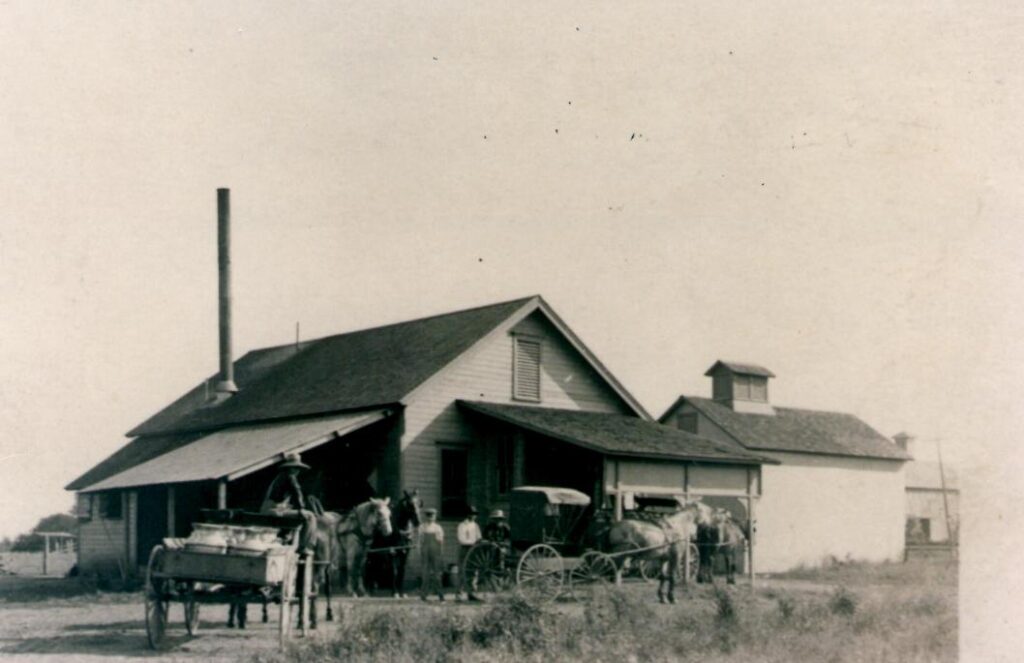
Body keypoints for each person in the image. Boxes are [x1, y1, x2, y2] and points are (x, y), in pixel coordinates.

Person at [259, 452, 318, 553]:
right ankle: (305, 547)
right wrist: (302, 509)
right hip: (274, 511)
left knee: (293, 514)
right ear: (291, 468)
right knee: (310, 516)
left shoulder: (279, 477)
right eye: (296, 468)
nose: (298, 471)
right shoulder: (290, 477)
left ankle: (287, 537)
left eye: (298, 468)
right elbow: (297, 493)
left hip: (269, 509)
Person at [418, 507, 445, 601]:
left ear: (435, 517)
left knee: (437, 574)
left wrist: (440, 553)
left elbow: (441, 541)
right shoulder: (422, 527)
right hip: (425, 551)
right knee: (425, 573)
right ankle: (423, 595)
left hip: (435, 552)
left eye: (432, 516)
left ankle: (440, 594)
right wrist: (420, 551)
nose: (430, 518)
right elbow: (420, 541)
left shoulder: (438, 528)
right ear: (426, 516)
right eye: (428, 516)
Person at [456, 506, 482, 601]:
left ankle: (472, 593)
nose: (473, 516)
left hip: (474, 549)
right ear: (467, 515)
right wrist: (472, 542)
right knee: (463, 570)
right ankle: (459, 593)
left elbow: (479, 537)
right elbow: (461, 539)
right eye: (471, 514)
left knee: (474, 571)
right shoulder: (462, 525)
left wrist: (477, 543)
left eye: (474, 514)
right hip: (465, 549)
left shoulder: (475, 526)